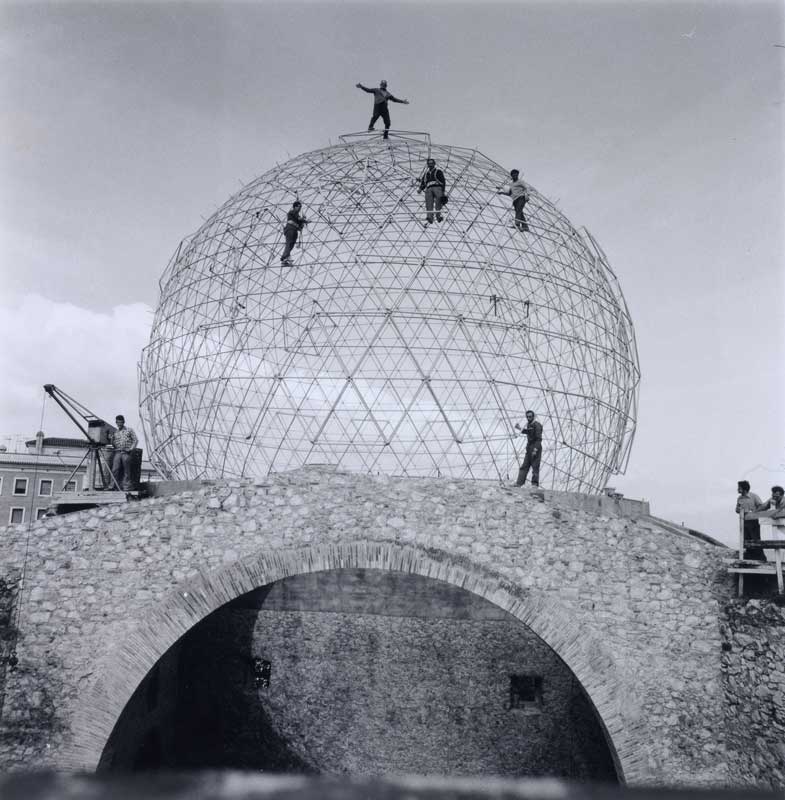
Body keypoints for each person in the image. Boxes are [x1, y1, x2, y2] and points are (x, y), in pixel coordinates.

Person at [736, 480, 765, 561]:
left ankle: (761, 558)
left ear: (744, 488)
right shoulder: (739, 498)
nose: (737, 489)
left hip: (753, 521)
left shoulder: (754, 496)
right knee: (746, 540)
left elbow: (761, 506)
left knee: (755, 539)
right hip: (744, 522)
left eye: (739, 487)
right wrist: (739, 509)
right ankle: (750, 558)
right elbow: (736, 509)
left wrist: (754, 512)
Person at [108, 415, 138, 491]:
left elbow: (135, 440)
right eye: (117, 422)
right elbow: (113, 444)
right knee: (115, 469)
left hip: (126, 452)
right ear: (116, 422)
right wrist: (111, 440)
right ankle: (112, 486)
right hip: (118, 452)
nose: (119, 424)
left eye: (120, 422)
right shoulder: (115, 432)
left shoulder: (129, 430)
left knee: (126, 470)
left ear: (123, 422)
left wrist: (130, 449)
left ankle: (126, 487)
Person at [514, 410, 542, 487]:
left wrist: (535, 450)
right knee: (524, 466)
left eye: (530, 416)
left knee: (535, 466)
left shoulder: (537, 425)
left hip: (535, 448)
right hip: (529, 448)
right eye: (527, 416)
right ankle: (519, 483)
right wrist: (520, 428)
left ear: (533, 416)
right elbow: (528, 432)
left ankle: (534, 484)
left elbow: (539, 439)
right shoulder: (530, 425)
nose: (528, 418)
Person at [418, 158, 447, 225]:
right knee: (428, 203)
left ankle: (438, 216)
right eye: (429, 163)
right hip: (428, 189)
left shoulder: (438, 171)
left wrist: (443, 191)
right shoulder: (426, 174)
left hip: (437, 187)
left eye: (431, 163)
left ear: (434, 164)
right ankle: (429, 217)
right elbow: (423, 182)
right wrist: (420, 189)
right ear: (428, 165)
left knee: (438, 202)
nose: (430, 164)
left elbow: (443, 181)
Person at [280, 201, 307, 266]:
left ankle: (286, 258)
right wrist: (304, 220)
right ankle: (284, 257)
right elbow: (298, 218)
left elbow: (299, 224)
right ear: (295, 207)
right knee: (289, 243)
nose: (300, 208)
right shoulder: (292, 212)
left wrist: (302, 224)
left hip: (294, 231)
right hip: (290, 230)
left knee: (291, 244)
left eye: (301, 207)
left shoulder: (296, 214)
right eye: (299, 207)